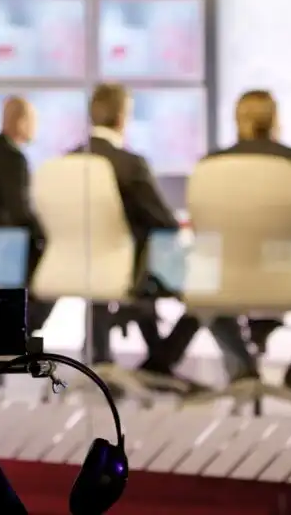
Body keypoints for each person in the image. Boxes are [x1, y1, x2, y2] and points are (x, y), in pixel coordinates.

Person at [149, 90, 291, 399]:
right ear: (276, 120)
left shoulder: (209, 164)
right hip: (289, 276)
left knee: (202, 283)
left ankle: (240, 367)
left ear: (236, 121)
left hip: (226, 277)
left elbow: (202, 231)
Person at [71, 83, 206, 391]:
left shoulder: (66, 161)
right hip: (129, 268)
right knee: (209, 279)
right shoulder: (129, 164)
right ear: (122, 117)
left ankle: (150, 361)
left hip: (80, 266)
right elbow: (166, 223)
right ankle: (161, 363)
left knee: (146, 275)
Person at [0, 96, 53, 333]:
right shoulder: (11, 158)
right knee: (56, 268)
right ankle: (21, 331)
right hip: (10, 246)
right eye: (32, 120)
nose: (35, 127)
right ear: (21, 121)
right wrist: (47, 235)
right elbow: (20, 212)